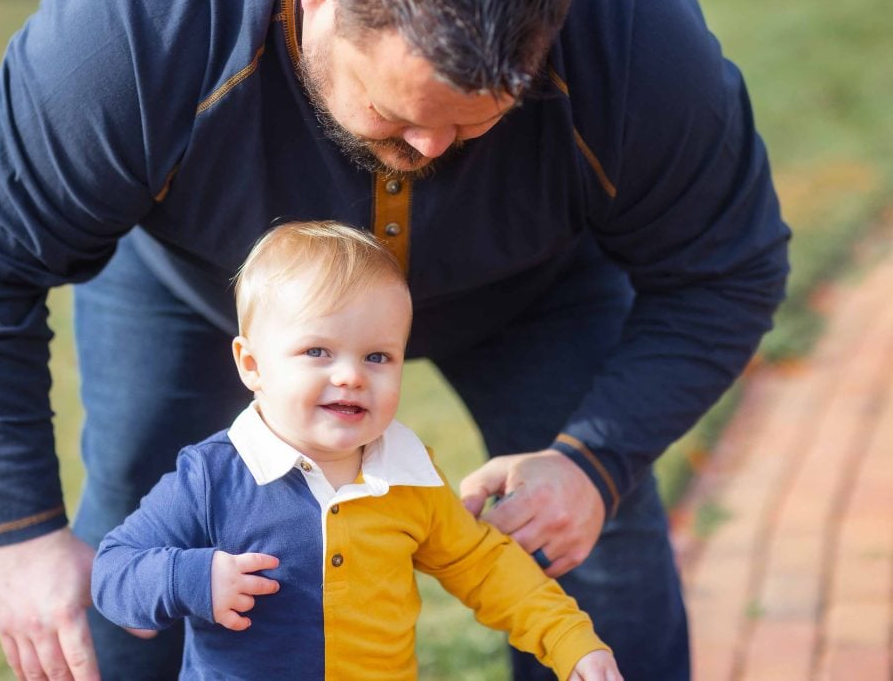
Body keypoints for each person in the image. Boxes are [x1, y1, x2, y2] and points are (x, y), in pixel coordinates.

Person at [0, 0, 790, 679]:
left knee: (598, 547)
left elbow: (730, 268)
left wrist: (595, 463)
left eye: (473, 124)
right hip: (205, 287)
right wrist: (20, 532)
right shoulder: (136, 38)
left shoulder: (636, 45)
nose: (430, 147)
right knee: (135, 531)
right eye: (393, 114)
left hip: (532, 289)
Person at [91, 221, 622, 680]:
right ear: (252, 365)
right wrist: (192, 578)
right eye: (317, 351)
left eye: (377, 356)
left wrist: (568, 638)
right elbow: (114, 572)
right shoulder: (212, 477)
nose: (350, 376)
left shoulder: (410, 477)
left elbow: (486, 568)